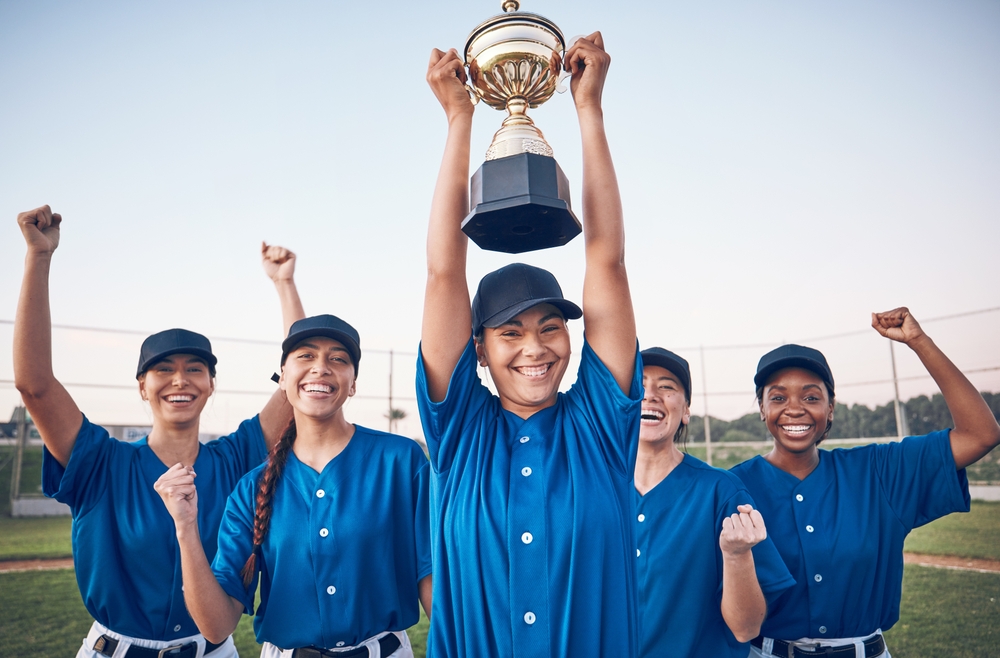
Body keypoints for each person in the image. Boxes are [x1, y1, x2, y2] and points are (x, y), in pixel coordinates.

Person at [419, 33, 642, 657]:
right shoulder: (459, 433)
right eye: (509, 331)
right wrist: (459, 118)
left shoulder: (601, 423)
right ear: (478, 349)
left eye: (550, 327)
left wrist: (589, 111)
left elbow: (608, 261)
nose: (534, 347)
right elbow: (443, 274)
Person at [13, 204, 305, 658]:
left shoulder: (233, 459)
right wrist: (39, 256)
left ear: (211, 385)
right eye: (163, 370)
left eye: (194, 369)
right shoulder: (101, 462)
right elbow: (35, 385)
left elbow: (296, 387)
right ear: (142, 387)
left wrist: (284, 285)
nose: (180, 379)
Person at [155, 314, 432, 658]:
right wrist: (185, 528)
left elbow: (431, 576)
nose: (321, 367)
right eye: (306, 356)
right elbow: (217, 624)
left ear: (353, 382)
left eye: (338, 359)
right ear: (283, 379)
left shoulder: (400, 460)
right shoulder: (252, 488)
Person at [730, 308, 1000, 658]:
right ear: (762, 408)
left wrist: (920, 342)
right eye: (778, 397)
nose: (794, 408)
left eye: (811, 397)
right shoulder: (732, 486)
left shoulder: (878, 470)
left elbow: (981, 434)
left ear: (831, 408)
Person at [633, 347, 795, 658]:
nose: (650, 395)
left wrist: (736, 554)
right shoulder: (594, 491)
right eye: (637, 387)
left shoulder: (722, 491)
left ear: (686, 411)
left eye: (666, 386)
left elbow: (746, 628)